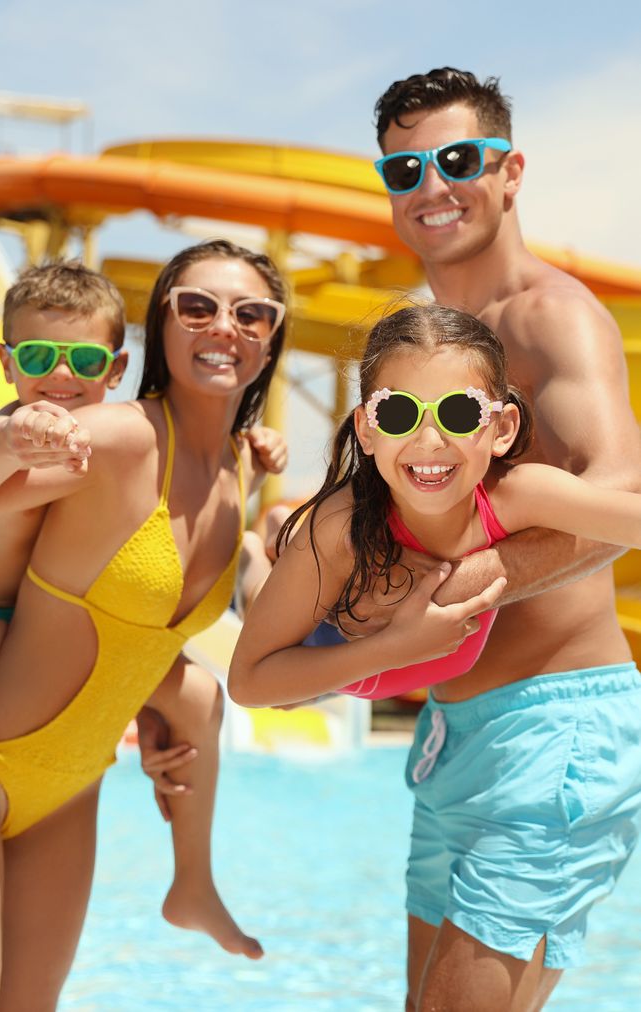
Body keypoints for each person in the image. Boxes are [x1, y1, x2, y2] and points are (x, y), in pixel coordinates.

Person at [229, 302, 641, 1010]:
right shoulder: (336, 531)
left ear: (501, 427)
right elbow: (251, 680)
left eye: (457, 412)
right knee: (266, 571)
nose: (428, 439)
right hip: (347, 642)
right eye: (396, 415)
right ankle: (258, 548)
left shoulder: (518, 497)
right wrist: (396, 645)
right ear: (365, 425)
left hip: (539, 745)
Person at [345, 67, 641, 1010]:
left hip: (553, 731)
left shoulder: (549, 317)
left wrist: (462, 589)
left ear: (511, 172)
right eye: (405, 170)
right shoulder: (423, 345)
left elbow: (622, 497)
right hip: (454, 731)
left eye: (458, 160)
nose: (432, 187)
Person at [0, 238, 287, 1010]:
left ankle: (194, 881)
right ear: (162, 325)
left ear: (274, 335)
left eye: (252, 313)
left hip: (70, 790)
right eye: (197, 306)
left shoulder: (239, 467)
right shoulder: (109, 437)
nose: (225, 326)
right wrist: (4, 438)